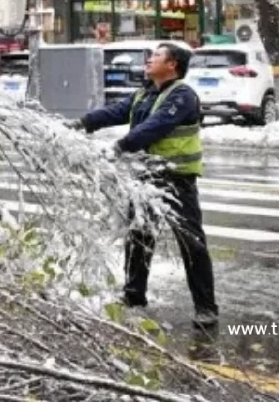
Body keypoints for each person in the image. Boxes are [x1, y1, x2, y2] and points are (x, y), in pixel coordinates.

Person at [71, 43, 218, 328]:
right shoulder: (145, 93)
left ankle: (206, 307)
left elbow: (156, 125)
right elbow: (115, 112)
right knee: (139, 236)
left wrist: (120, 146)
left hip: (177, 180)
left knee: (191, 243)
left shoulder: (182, 96)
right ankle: (134, 294)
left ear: (173, 64)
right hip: (146, 177)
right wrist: (81, 124)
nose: (149, 60)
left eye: (157, 56)